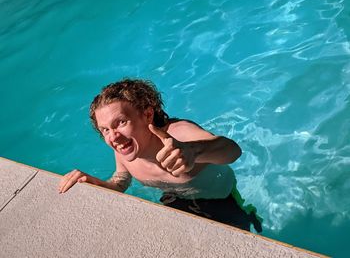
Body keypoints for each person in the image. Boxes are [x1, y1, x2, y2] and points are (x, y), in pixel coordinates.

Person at [58, 78, 262, 232]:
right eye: (105, 130)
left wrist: (194, 151)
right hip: (175, 199)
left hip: (222, 200)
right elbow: (120, 182)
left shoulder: (179, 133)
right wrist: (98, 184)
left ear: (147, 114)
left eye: (120, 122)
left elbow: (232, 151)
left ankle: (250, 214)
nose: (114, 137)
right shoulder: (124, 150)